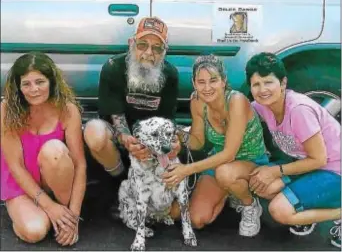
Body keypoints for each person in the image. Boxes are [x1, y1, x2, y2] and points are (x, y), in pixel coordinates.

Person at [83, 17, 181, 217]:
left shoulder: (170, 74)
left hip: (150, 139)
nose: (148, 53)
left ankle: (148, 199)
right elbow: (114, 115)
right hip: (119, 134)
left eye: (157, 48)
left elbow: (168, 120)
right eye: (142, 44)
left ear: (164, 52)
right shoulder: (113, 67)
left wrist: (161, 143)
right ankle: (117, 182)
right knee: (94, 132)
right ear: (131, 44)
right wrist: (126, 138)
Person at [162, 54, 269, 237]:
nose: (207, 87)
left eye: (213, 80)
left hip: (251, 161)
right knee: (196, 219)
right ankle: (230, 190)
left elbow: (229, 154)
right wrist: (178, 134)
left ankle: (249, 204)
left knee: (225, 173)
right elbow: (198, 141)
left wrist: (185, 170)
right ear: (194, 83)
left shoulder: (236, 100)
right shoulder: (196, 101)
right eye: (201, 82)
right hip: (219, 163)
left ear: (223, 81)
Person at [246, 52, 341, 248]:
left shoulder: (298, 110)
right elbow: (234, 113)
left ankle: (339, 212)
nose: (263, 90)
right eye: (256, 84)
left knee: (279, 210)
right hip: (308, 166)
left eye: (268, 82)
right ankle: (305, 212)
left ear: (283, 83)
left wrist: (274, 171)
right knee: (262, 185)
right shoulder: (264, 106)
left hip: (333, 169)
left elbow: (319, 159)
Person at [1, 52, 87, 246]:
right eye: (26, 84)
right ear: (18, 87)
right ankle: (42, 212)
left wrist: (73, 219)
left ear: (52, 81)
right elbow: (15, 166)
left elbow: (80, 165)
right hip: (21, 183)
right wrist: (49, 206)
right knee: (35, 232)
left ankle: (62, 215)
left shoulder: (67, 109)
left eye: (40, 82)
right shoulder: (7, 110)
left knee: (54, 150)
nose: (34, 90)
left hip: (53, 179)